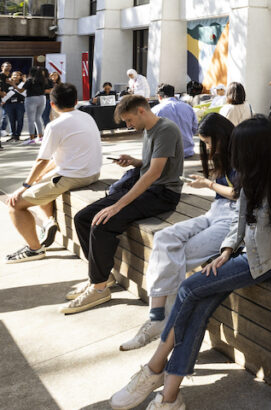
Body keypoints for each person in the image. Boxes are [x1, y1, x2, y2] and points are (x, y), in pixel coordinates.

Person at [109, 116, 271, 410]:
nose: (233, 153)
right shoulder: (250, 171)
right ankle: (169, 397)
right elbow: (240, 219)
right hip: (244, 252)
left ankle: (154, 369)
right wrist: (227, 250)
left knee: (190, 288)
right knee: (199, 304)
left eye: (240, 147)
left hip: (269, 259)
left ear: (254, 147)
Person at [119, 113, 239, 351]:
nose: (206, 147)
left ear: (221, 136)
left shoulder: (244, 153)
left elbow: (240, 194)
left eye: (208, 141)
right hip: (214, 212)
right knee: (164, 238)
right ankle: (158, 318)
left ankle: (159, 321)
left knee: (178, 255)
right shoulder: (224, 155)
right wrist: (208, 182)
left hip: (234, 219)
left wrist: (209, 184)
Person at [66, 95, 183, 315]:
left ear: (141, 111)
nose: (129, 126)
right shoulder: (150, 130)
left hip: (162, 193)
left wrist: (118, 205)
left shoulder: (165, 129)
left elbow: (154, 174)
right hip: (148, 187)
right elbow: (150, 166)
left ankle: (99, 288)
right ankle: (101, 277)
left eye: (129, 120)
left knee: (102, 222)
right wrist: (134, 161)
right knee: (82, 218)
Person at [5, 83, 102, 263]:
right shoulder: (87, 117)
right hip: (92, 172)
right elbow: (58, 159)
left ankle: (35, 249)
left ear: (52, 104)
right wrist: (35, 179)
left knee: (15, 204)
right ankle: (49, 221)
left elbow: (42, 160)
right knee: (41, 180)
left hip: (74, 177)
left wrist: (24, 186)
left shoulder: (55, 125)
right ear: (75, 101)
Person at [154, 84, 199, 158]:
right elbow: (194, 128)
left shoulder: (156, 110)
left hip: (165, 154)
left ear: (159, 96)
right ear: (174, 95)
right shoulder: (188, 107)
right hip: (187, 151)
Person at [22, 66, 51, 145]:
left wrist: (13, 84)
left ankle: (31, 138)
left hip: (31, 99)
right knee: (38, 118)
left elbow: (21, 90)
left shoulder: (30, 80)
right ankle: (40, 137)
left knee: (31, 119)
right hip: (42, 98)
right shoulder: (44, 80)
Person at [3, 70, 26, 142]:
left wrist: (14, 86)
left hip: (20, 104)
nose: (15, 76)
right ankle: (13, 135)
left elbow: (24, 94)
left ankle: (17, 135)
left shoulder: (23, 84)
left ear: (20, 77)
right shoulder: (7, 84)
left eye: (17, 75)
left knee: (20, 120)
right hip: (9, 104)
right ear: (11, 76)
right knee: (11, 120)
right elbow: (4, 94)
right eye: (14, 75)